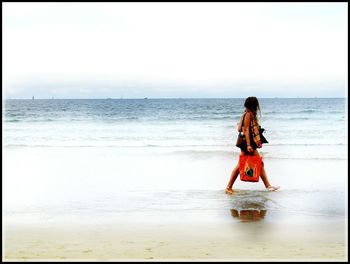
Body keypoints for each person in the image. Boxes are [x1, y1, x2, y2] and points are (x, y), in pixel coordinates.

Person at [225, 96, 279, 194]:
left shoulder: (245, 114)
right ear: (254, 105)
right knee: (252, 164)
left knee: (254, 163)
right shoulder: (249, 115)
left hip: (247, 143)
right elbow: (245, 129)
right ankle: (228, 187)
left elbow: (239, 129)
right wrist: (249, 145)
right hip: (247, 143)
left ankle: (267, 185)